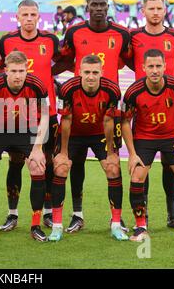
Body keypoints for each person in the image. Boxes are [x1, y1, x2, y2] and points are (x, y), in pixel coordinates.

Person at [53, 0, 131, 233]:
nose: (98, 8)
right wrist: (47, 73)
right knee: (73, 165)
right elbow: (65, 60)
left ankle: (116, 219)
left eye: (102, 4)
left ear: (108, 7)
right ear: (87, 6)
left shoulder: (121, 33)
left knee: (112, 163)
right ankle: (77, 215)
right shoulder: (74, 31)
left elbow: (131, 61)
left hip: (108, 110)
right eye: (94, 4)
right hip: (77, 107)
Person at [127, 0, 174, 230]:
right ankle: (142, 218)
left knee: (171, 163)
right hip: (142, 109)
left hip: (172, 108)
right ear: (143, 11)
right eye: (151, 8)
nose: (155, 12)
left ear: (165, 11)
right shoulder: (133, 37)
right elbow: (128, 62)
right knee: (142, 165)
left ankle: (173, 214)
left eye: (159, 8)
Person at [122, 49, 174, 242]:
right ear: (143, 68)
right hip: (144, 138)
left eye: (158, 66)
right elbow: (124, 123)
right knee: (137, 176)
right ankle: (140, 228)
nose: (154, 70)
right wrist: (132, 154)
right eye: (150, 66)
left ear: (165, 67)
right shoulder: (133, 91)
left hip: (172, 137)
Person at [0, 0, 60, 231]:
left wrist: (47, 78)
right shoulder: (6, 41)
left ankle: (47, 211)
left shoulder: (50, 40)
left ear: (39, 16)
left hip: (46, 112)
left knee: (48, 162)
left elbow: (62, 62)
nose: (29, 18)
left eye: (33, 14)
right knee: (15, 162)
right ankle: (12, 214)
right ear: (17, 17)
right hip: (17, 114)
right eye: (25, 14)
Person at [0, 51, 50, 242]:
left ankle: (35, 225)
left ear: (27, 70)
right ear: (5, 70)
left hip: (27, 129)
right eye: (14, 71)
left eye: (22, 71)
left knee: (37, 165)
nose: (18, 75)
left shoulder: (37, 85)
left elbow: (45, 117)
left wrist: (37, 149)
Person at [51, 54, 127, 241]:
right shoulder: (68, 88)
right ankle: (58, 225)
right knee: (61, 168)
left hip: (100, 133)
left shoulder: (112, 90)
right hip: (74, 134)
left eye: (95, 72)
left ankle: (116, 224)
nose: (91, 76)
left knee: (113, 168)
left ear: (101, 72)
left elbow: (109, 121)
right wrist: (63, 152)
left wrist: (111, 153)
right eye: (86, 72)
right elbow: (66, 120)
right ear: (79, 72)